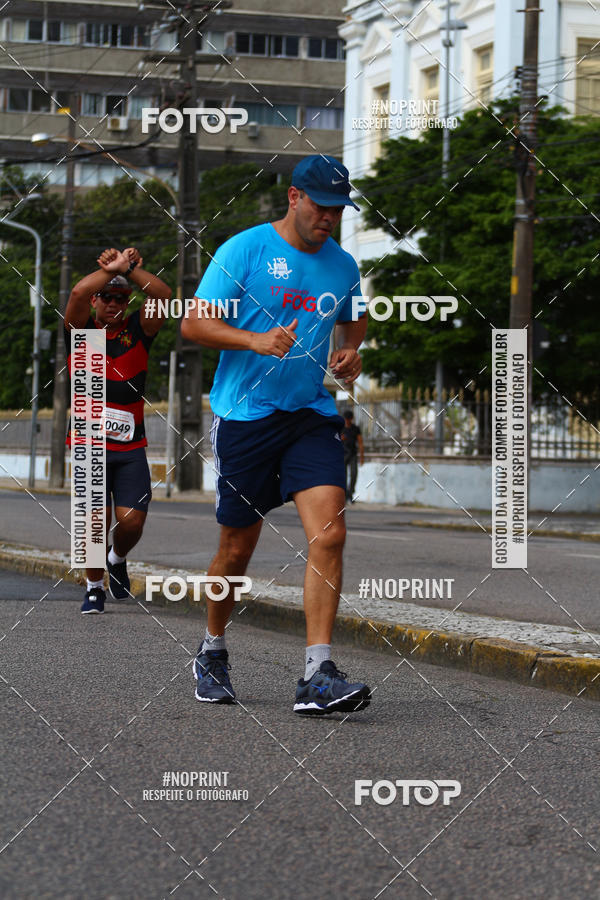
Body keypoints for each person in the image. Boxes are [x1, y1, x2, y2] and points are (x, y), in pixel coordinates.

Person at [181, 154, 370, 715]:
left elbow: (355, 315)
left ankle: (317, 675)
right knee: (237, 548)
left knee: (330, 534)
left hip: (309, 414)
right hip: (246, 417)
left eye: (338, 209)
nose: (329, 218)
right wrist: (254, 340)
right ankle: (213, 649)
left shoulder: (343, 265)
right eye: (321, 206)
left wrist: (351, 348)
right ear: (294, 197)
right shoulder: (245, 249)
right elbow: (194, 323)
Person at [65, 247, 171, 614]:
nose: (114, 304)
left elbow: (163, 295)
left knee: (132, 520)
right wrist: (112, 269)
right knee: (95, 520)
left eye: (121, 298)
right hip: (88, 444)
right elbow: (77, 292)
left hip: (130, 447)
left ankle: (117, 557)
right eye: (106, 297)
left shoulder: (139, 330)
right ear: (96, 301)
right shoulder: (82, 332)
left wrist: (132, 269)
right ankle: (94, 587)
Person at [341, 409, 364, 502]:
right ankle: (346, 494)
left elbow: (360, 443)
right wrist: (340, 438)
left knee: (354, 474)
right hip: (343, 454)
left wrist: (362, 457)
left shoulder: (355, 429)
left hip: (353, 454)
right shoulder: (341, 428)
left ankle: (350, 493)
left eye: (349, 419)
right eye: (346, 419)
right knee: (343, 476)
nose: (347, 421)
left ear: (351, 419)